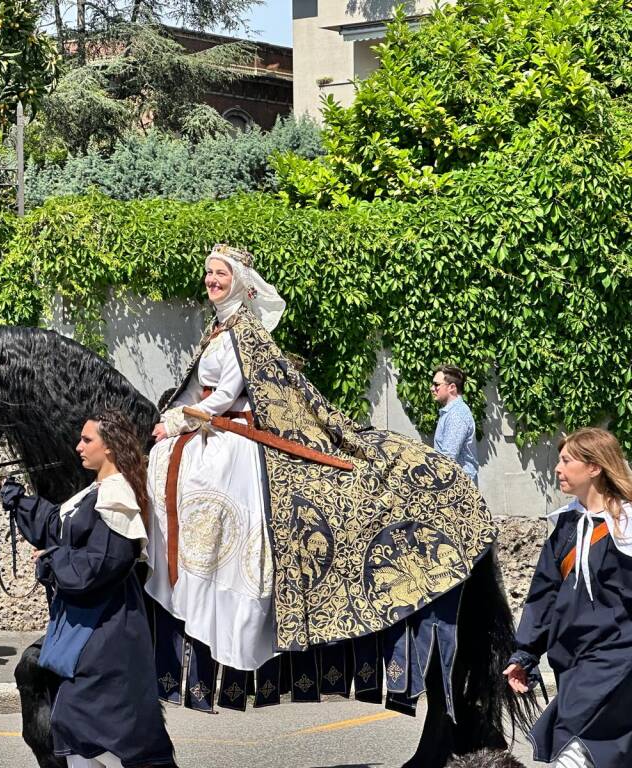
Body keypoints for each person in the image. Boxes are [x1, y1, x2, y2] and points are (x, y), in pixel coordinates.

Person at [145, 243, 493, 678]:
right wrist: (173, 416)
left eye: (221, 274)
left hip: (233, 431)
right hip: (209, 424)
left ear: (239, 282)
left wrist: (179, 422)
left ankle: (229, 601)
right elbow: (196, 391)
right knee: (162, 462)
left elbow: (224, 396)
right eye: (209, 273)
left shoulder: (243, 333)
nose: (212, 281)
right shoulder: (216, 330)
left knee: (213, 492)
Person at [0, 410, 176, 768]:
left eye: (87, 440)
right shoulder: (97, 491)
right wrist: (15, 498)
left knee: (98, 728)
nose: (78, 446)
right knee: (79, 729)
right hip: (89, 628)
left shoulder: (117, 497)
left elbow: (102, 564)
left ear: (109, 448)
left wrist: (52, 562)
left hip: (107, 632)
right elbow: (56, 526)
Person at [504, 427, 632, 768]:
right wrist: (525, 654)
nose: (557, 469)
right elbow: (543, 595)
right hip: (573, 661)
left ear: (594, 467)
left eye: (566, 460)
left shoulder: (628, 525)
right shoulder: (566, 526)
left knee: (572, 747)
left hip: (616, 658)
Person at [431, 364, 479, 484]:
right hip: (454, 488)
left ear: (452, 387)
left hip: (458, 491)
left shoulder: (456, 414)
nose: (432, 388)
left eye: (437, 385)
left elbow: (447, 459)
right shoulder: (450, 412)